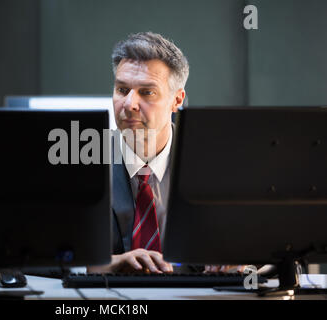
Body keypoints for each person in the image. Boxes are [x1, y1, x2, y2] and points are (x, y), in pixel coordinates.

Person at [88, 32, 245, 275]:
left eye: (146, 92)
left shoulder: (215, 164)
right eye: (122, 89)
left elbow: (269, 252)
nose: (129, 104)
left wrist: (241, 262)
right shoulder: (83, 160)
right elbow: (40, 259)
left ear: (177, 100)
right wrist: (108, 264)